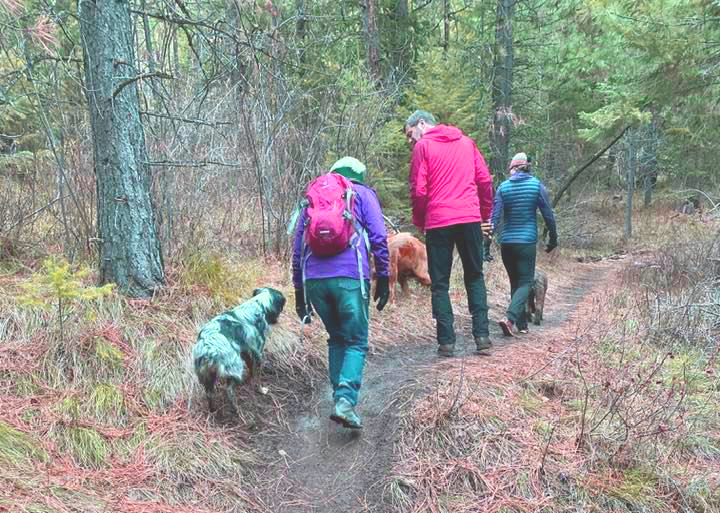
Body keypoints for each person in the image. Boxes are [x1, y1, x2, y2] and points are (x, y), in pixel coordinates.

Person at [292, 156, 390, 429]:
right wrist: (383, 277)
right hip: (350, 277)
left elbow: (298, 247)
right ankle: (345, 401)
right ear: (360, 174)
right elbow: (379, 237)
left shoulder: (316, 196)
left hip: (315, 281)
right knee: (356, 340)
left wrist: (300, 294)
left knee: (336, 338)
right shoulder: (363, 194)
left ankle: (339, 398)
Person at [404, 110, 494, 357]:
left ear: (421, 124)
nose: (411, 140)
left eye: (410, 134)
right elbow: (485, 181)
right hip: (469, 218)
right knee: (475, 275)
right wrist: (484, 213)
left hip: (438, 220)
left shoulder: (424, 147)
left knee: (440, 282)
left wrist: (421, 221)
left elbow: (419, 190)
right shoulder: (467, 143)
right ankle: (482, 336)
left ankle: (446, 342)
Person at [490, 152, 557, 336]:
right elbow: (548, 215)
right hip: (526, 242)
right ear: (527, 167)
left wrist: (486, 244)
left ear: (514, 168)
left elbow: (494, 218)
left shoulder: (503, 187)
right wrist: (553, 237)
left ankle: (521, 325)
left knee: (515, 282)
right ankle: (510, 318)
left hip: (507, 242)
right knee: (526, 282)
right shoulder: (536, 186)